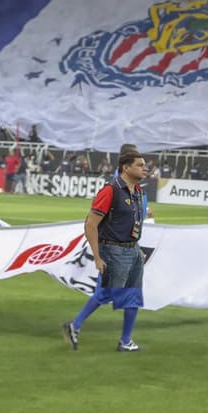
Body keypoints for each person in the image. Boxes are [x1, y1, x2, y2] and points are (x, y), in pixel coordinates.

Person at [61, 151, 148, 353]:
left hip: (132, 250)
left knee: (129, 295)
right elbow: (90, 224)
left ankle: (124, 340)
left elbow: (130, 223)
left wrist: (136, 247)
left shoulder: (138, 191)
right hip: (113, 251)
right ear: (126, 168)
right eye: (140, 165)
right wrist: (98, 256)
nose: (145, 168)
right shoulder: (110, 191)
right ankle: (77, 326)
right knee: (111, 294)